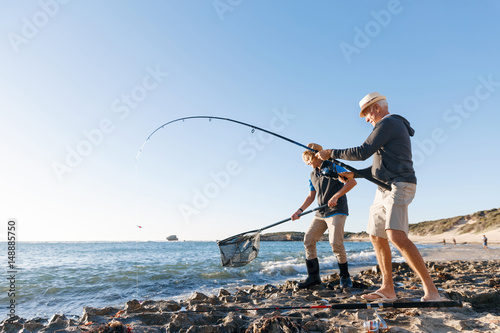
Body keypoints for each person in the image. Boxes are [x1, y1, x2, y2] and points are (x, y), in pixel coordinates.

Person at [316, 92, 441, 302]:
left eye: (366, 113)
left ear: (375, 108)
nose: (366, 119)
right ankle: (387, 289)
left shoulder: (388, 123)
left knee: (396, 235)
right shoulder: (386, 128)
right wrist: (353, 174)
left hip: (399, 185)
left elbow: (362, 152)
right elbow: (376, 168)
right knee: (376, 235)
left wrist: (332, 153)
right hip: (383, 188)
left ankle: (432, 291)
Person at [291, 143, 357, 289]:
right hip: (321, 212)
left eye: (309, 160)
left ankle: (345, 277)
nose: (307, 163)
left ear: (316, 156)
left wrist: (336, 196)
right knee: (308, 240)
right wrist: (299, 211)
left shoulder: (333, 165)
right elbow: (311, 196)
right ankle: (313, 277)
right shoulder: (312, 174)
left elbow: (352, 181)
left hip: (337, 210)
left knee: (335, 243)